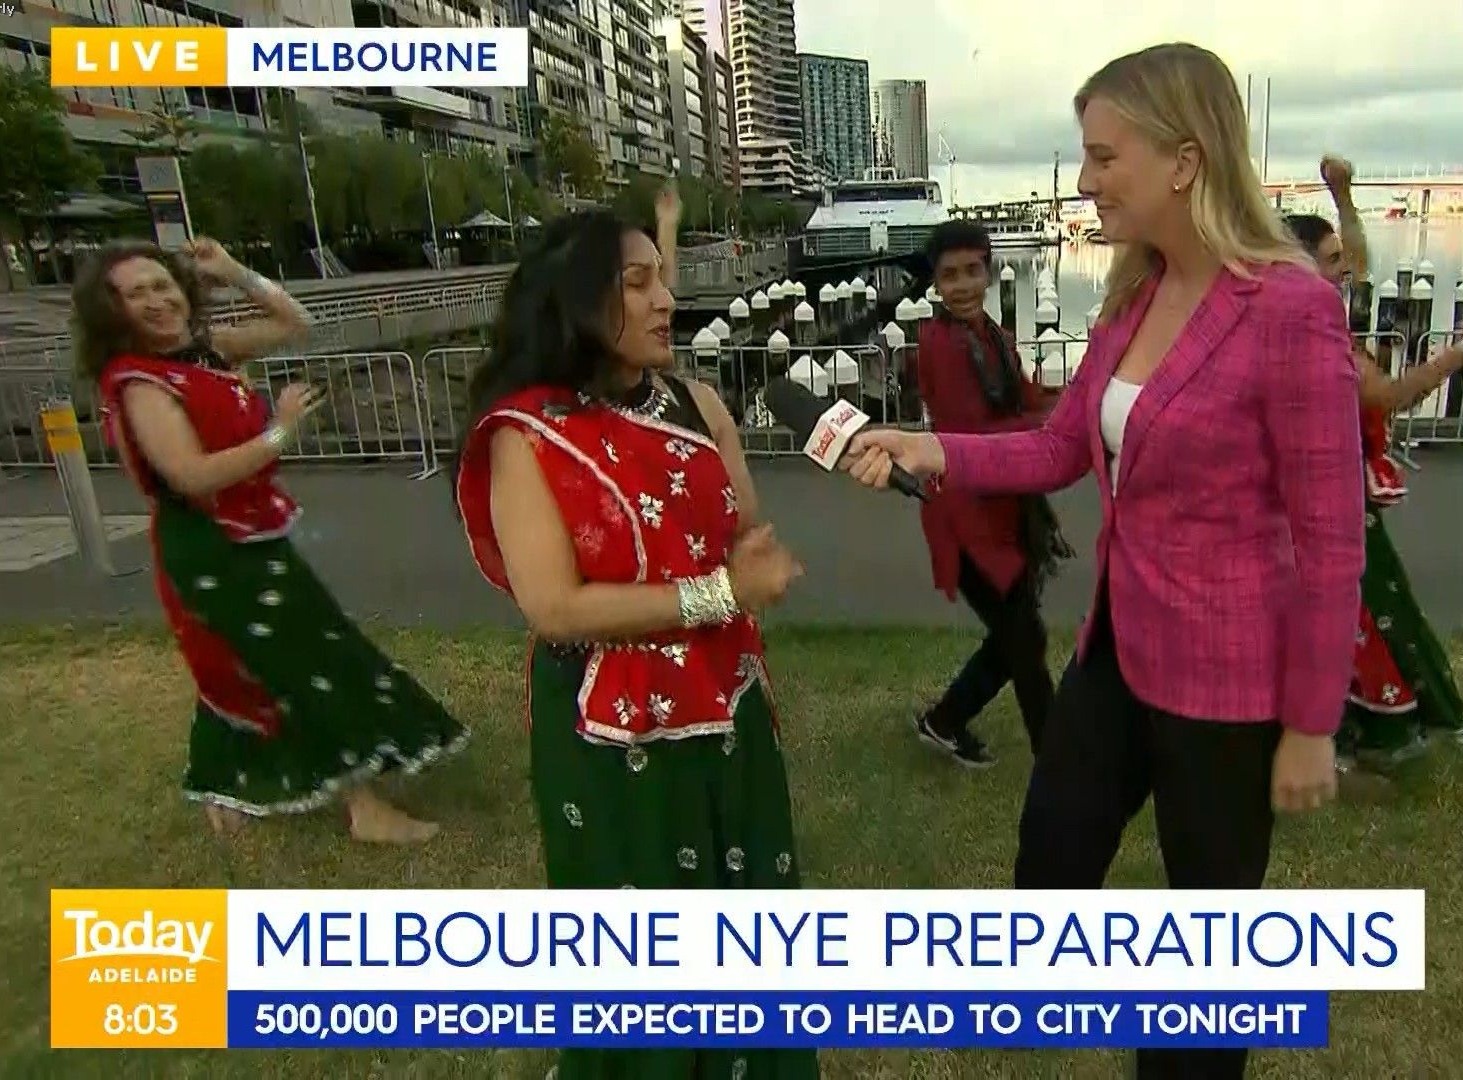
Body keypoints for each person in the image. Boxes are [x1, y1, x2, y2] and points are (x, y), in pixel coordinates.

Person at [844, 43, 1357, 1080]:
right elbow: (1056, 447)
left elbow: (1332, 536)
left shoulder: (1291, 309)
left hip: (1227, 684)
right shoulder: (1131, 299)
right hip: (1118, 649)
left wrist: (1310, 726)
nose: (1084, 181)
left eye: (1103, 157)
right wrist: (929, 449)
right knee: (1053, 851)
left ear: (1184, 159)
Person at [452, 193, 814, 1080]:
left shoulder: (690, 402)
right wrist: (721, 593)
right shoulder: (527, 435)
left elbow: (740, 527)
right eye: (639, 283)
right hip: (612, 731)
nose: (667, 300)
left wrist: (748, 555)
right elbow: (554, 608)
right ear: (580, 301)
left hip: (726, 703)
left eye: (663, 278)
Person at [84, 238, 465, 842]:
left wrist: (233, 270)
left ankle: (225, 782)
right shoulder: (142, 386)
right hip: (211, 546)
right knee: (296, 661)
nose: (157, 301)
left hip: (253, 532)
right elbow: (191, 476)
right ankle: (363, 808)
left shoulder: (205, 351)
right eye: (136, 294)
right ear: (113, 312)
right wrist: (280, 432)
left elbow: (296, 324)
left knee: (252, 660)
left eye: (162, 285)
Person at [1287, 155, 1463, 772]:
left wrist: (1341, 196)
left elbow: (1359, 261)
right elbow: (1388, 395)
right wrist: (1458, 354)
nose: (1344, 270)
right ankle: (1362, 726)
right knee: (1361, 608)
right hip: (1323, 504)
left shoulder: (1311, 318)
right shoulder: (1314, 341)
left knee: (1370, 602)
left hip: (1335, 496)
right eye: (1330, 261)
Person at [907, 220, 1071, 767]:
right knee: (1022, 639)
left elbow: (1023, 395)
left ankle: (944, 721)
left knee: (1017, 638)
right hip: (965, 520)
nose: (962, 286)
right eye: (949, 276)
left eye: (972, 271)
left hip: (1000, 509)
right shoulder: (939, 344)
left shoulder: (994, 335)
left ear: (989, 272)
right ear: (935, 283)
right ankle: (1056, 759)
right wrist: (1051, 426)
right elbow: (971, 435)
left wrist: (1071, 398)